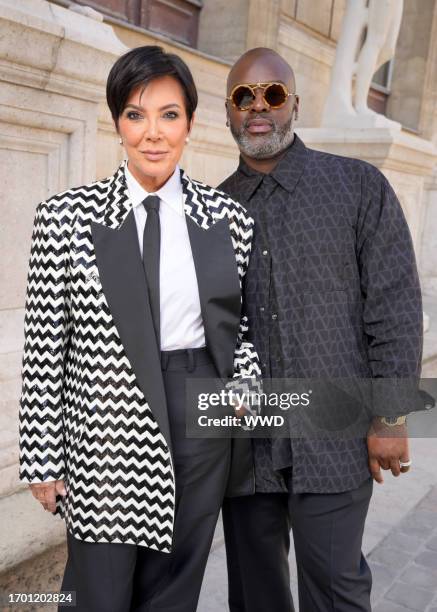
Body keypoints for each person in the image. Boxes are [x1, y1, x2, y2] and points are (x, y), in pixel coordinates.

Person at [18, 45, 260, 612]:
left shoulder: (227, 219)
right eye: (136, 114)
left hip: (201, 413)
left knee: (175, 587)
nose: (153, 133)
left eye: (169, 114)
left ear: (191, 124)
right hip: (105, 428)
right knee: (97, 592)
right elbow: (44, 345)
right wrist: (41, 456)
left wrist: (243, 387)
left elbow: (240, 326)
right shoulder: (65, 218)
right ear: (117, 124)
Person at [220, 47, 423, 612]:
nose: (258, 107)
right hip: (245, 446)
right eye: (243, 97)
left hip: (333, 436)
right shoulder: (212, 211)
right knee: (254, 596)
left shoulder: (358, 187)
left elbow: (396, 307)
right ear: (227, 112)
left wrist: (390, 416)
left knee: (334, 589)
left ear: (295, 105)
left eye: (273, 94)